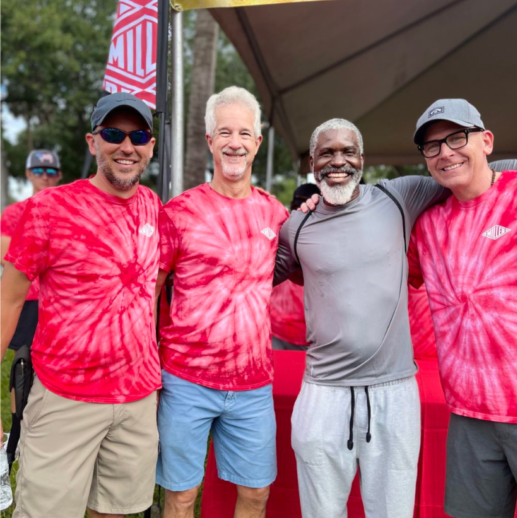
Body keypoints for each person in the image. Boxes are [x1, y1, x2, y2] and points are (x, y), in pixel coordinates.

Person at [274, 118, 449, 518]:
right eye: (327, 153)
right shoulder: (296, 225)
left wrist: (508, 168)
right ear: (312, 163)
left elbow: (469, 174)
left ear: (362, 159)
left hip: (394, 390)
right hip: (323, 394)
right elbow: (252, 277)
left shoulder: (398, 197)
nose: (339, 161)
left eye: (348, 151)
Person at [0, 92, 161, 518]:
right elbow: (8, 299)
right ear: (93, 143)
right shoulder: (49, 209)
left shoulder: (152, 206)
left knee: (113, 512)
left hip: (137, 399)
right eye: (113, 133)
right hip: (65, 399)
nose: (126, 146)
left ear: (150, 146)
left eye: (138, 135)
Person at [155, 86, 288, 518]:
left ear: (257, 143)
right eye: (224, 132)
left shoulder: (275, 214)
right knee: (180, 496)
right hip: (186, 381)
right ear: (210, 140)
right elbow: (151, 292)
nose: (235, 142)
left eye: (244, 133)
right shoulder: (179, 212)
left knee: (255, 494)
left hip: (253, 386)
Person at [407, 98, 517, 518]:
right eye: (432, 147)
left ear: (486, 141)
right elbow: (382, 273)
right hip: (467, 410)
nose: (445, 152)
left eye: (456, 137)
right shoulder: (427, 225)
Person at [1, 150, 62, 357]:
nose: (45, 176)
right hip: (28, 297)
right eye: (38, 170)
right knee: (23, 364)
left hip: (61, 299)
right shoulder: (13, 213)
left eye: (51, 171)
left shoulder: (67, 213)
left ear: (59, 175)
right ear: (28, 174)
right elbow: (6, 257)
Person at [270, 183, 321, 351]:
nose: (300, 209)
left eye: (305, 204)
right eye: (296, 205)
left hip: (313, 337)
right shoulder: (279, 228)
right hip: (277, 331)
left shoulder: (327, 236)